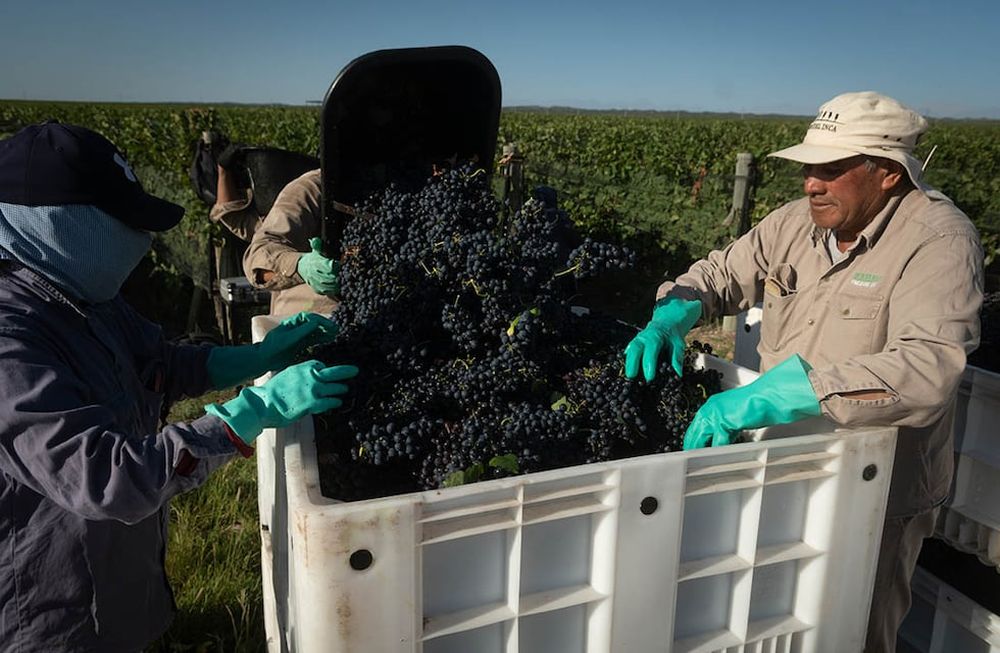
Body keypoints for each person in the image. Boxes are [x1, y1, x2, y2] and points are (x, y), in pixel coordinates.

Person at [624, 91, 983, 652]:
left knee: (849, 628)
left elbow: (929, 366)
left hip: (874, 484)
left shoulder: (939, 241)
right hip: (779, 461)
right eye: (809, 167)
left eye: (831, 169)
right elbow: (722, 272)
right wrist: (678, 308)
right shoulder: (795, 222)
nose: (811, 182)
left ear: (887, 173)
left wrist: (787, 390)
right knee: (771, 618)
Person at [0, 121, 358, 652]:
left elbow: (161, 363)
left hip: (122, 581)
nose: (140, 242)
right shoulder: (10, 343)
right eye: (124, 223)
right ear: (58, 224)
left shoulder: (79, 295)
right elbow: (108, 479)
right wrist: (251, 412)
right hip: (52, 617)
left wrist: (256, 356)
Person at [240, 167, 341, 316]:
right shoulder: (316, 185)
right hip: (309, 318)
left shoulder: (384, 186)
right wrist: (300, 266)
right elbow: (258, 255)